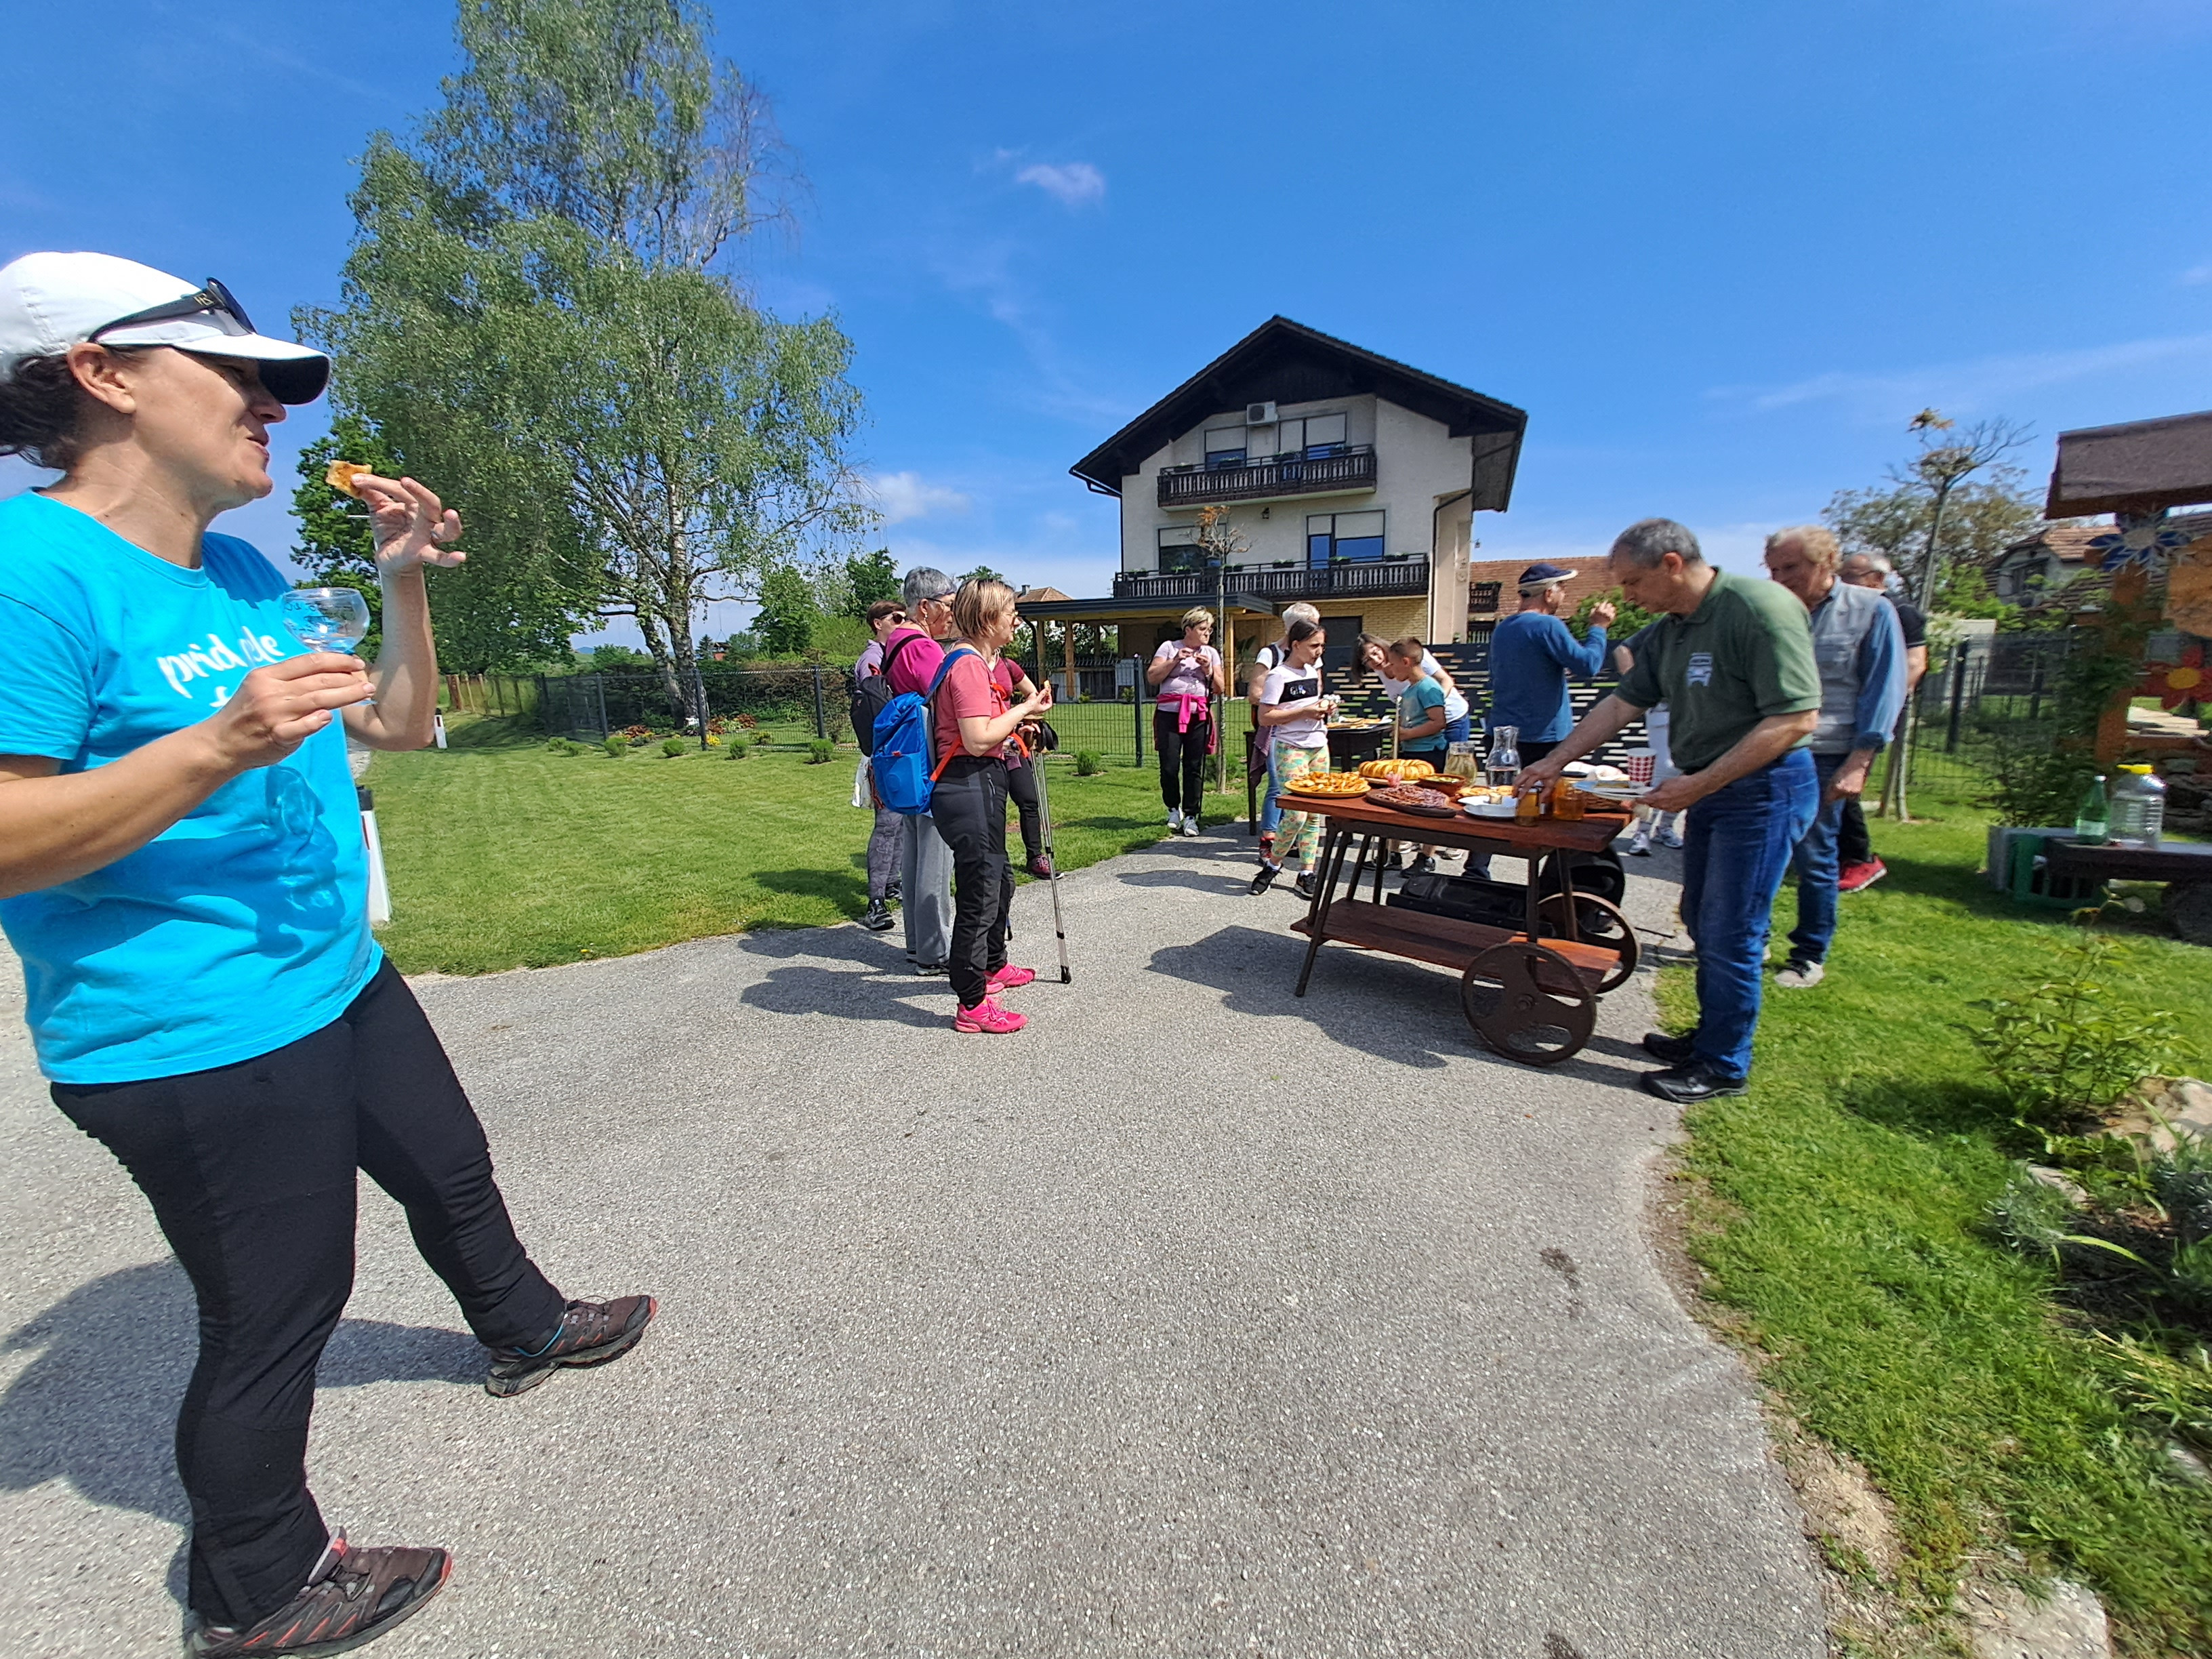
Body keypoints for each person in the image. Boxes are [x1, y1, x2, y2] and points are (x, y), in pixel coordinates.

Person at [0, 251, 655, 1658]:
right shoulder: (29, 574)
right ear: (101, 376)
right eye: (236, 376)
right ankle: (257, 1585)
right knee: (279, 1307)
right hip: (192, 1027)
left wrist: (399, 582)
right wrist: (220, 740)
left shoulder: (236, 568)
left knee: (450, 1161)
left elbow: (402, 727)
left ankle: (523, 1327)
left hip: (327, 972)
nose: (270, 408)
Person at [1517, 518, 1821, 1105]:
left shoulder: (1758, 609)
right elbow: (1624, 700)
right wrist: (1555, 760)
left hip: (1763, 790)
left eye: (1633, 582)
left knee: (1733, 929)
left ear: (1673, 564)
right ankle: (1709, 1038)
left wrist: (1698, 783)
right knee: (1704, 920)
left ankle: (1724, 1064)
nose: (1627, 597)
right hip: (1714, 789)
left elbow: (1795, 719)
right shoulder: (1671, 630)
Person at [1761, 527, 1906, 990]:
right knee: (1758, 851)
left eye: (1792, 568)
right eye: (1774, 569)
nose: (1781, 578)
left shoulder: (1871, 611)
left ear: (1826, 563)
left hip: (1827, 752)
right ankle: (1752, 938)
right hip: (1764, 748)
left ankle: (1808, 955)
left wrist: (1860, 761)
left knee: (1814, 856)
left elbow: (1885, 689)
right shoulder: (1769, 611)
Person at [930, 578, 1053, 1033]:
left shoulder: (978, 664)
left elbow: (987, 732)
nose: (1016, 621)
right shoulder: (965, 665)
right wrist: (1024, 712)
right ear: (987, 620)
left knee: (997, 883)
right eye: (1010, 614)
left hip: (979, 782)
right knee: (980, 895)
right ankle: (972, 1002)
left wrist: (1023, 722)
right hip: (966, 785)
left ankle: (991, 964)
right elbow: (977, 737)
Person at [1835, 551, 1929, 893]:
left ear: (1877, 579)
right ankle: (1838, 856)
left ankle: (1860, 860)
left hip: (1876, 713)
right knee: (1833, 785)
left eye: (1851, 575)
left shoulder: (1898, 611)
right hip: (1847, 708)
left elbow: (1915, 664)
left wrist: (1884, 707)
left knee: (1846, 784)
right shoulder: (1845, 609)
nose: (1842, 580)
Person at [883, 569, 960, 974]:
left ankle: (918, 945)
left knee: (914, 859)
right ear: (925, 607)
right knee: (935, 860)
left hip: (909, 760)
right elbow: (951, 697)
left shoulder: (896, 642)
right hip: (932, 763)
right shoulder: (923, 648)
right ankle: (935, 951)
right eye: (947, 605)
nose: (951, 613)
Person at [1484, 562, 1616, 764]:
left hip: (1503, 735)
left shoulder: (1503, 629)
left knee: (1505, 794)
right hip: (1543, 739)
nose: (1565, 595)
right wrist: (1599, 627)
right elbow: (1589, 665)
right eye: (1562, 588)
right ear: (1548, 593)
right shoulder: (1548, 625)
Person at [1248, 620, 1335, 899]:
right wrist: (1304, 713)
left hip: (1318, 746)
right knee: (1296, 813)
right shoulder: (1278, 676)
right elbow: (1265, 717)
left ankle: (1306, 873)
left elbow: (1310, 706)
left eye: (1322, 645)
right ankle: (1272, 865)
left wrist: (1325, 709)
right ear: (1295, 645)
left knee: (1314, 815)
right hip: (1291, 747)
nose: (1319, 651)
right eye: (1313, 646)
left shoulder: (1312, 672)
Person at [1383, 636, 1467, 876]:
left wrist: (1408, 734)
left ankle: (1426, 857)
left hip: (1428, 753)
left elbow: (1438, 722)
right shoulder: (1410, 689)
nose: (1390, 669)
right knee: (1402, 802)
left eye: (1393, 663)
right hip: (1410, 754)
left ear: (1407, 662)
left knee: (1430, 806)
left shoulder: (1428, 687)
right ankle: (1394, 855)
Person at [1247, 601, 1320, 863]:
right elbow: (1255, 695)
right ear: (1294, 630)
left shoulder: (1312, 657)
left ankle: (1297, 847)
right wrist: (1291, 706)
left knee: (1311, 795)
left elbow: (1315, 691)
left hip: (1311, 736)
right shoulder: (1271, 655)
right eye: (1311, 626)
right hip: (1278, 733)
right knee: (1279, 787)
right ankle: (1269, 843)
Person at [854, 598, 910, 931]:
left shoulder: (890, 656)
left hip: (898, 752)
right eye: (897, 618)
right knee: (888, 823)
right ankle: (875, 901)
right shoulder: (872, 659)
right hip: (883, 754)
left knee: (900, 821)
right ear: (878, 623)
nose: (902, 623)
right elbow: (879, 705)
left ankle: (892, 883)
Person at [1147, 607, 1225, 836]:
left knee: (1194, 766)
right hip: (1169, 714)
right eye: (1202, 629)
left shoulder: (1211, 653)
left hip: (1197, 714)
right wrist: (1174, 661)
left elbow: (1221, 688)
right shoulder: (1169, 647)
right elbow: (1152, 677)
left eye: (1209, 630)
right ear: (1188, 629)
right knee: (1169, 765)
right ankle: (1173, 808)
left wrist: (1209, 670)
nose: (1206, 634)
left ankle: (1192, 816)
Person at [1613, 630, 1683, 855]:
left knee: (1686, 769)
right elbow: (1622, 649)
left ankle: (1665, 827)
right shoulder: (1665, 625)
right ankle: (1642, 831)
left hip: (1695, 709)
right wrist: (1635, 681)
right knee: (1664, 769)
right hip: (1663, 708)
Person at [989, 648, 1052, 876]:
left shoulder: (1007, 666)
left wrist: (1026, 721)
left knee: (1028, 799)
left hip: (1010, 746)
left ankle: (1035, 857)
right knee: (994, 809)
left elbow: (1033, 695)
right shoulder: (969, 661)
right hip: (983, 745)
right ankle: (996, 862)